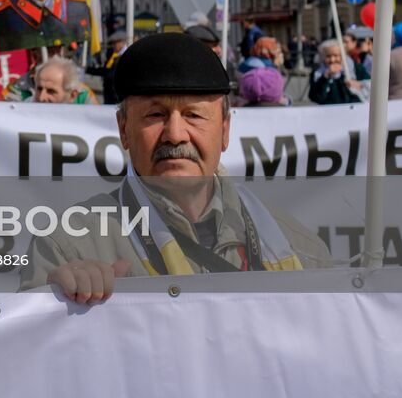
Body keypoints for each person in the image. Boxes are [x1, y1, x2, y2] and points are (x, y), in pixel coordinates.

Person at [18, 33, 331, 301]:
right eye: (155, 114)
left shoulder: (294, 244)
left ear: (224, 130)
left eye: (194, 115)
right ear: (124, 129)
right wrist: (55, 301)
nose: (175, 134)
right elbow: (30, 355)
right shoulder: (68, 246)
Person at [309, 40, 364, 105]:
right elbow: (315, 97)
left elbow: (369, 86)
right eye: (328, 56)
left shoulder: (353, 68)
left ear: (342, 55)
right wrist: (325, 76)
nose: (332, 60)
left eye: (336, 55)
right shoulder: (318, 72)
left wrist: (359, 85)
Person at [32, 56, 98, 104]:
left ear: (72, 95)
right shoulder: (27, 106)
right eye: (39, 89)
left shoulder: (85, 99)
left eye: (51, 91)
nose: (41, 98)